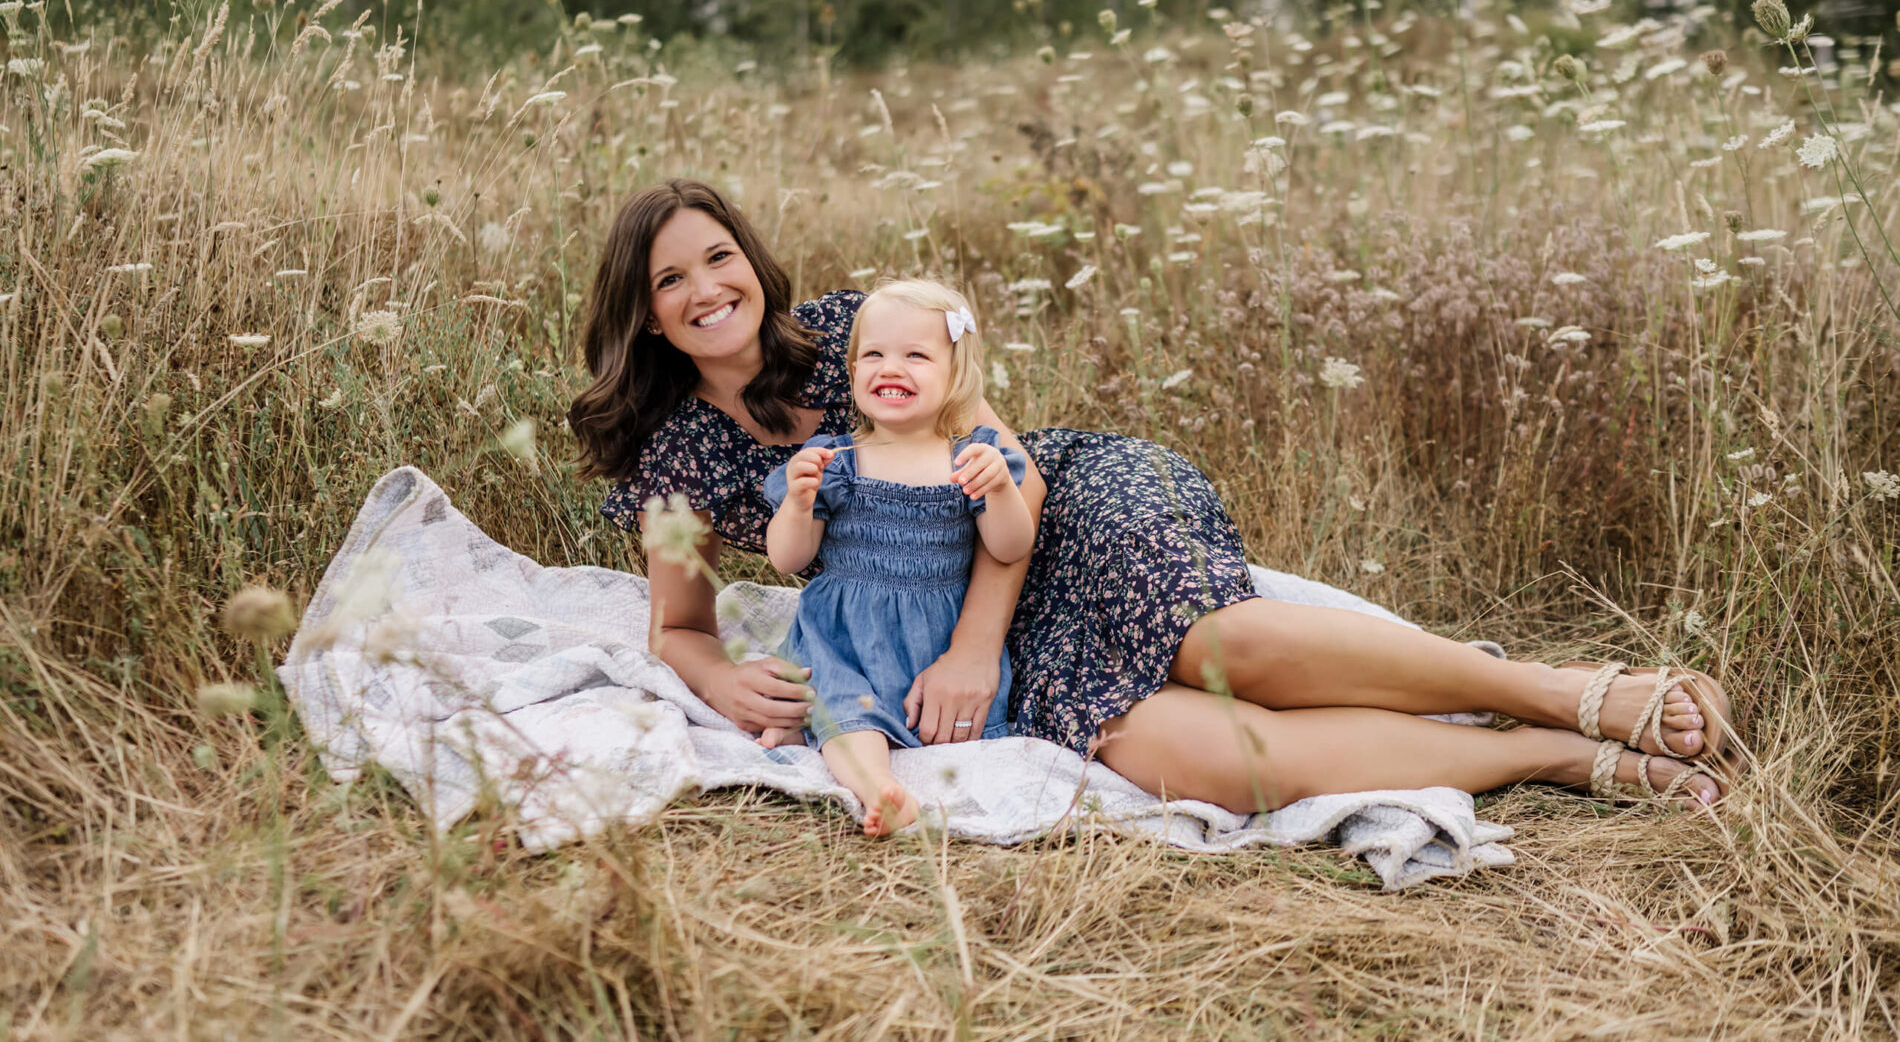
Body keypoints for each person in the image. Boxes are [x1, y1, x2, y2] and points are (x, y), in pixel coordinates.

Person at [567, 178, 1735, 814]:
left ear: (751, 258)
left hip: (1058, 508)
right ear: (646, 313)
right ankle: (1551, 756)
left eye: (717, 256)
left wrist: (975, 649)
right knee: (1232, 765)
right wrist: (727, 676)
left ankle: (1569, 690)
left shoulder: (853, 332)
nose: (705, 287)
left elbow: (1003, 469)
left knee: (1219, 644)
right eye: (671, 278)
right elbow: (676, 624)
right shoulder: (680, 458)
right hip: (955, 616)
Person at [759, 278, 1033, 834]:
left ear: (955, 375)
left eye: (916, 355)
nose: (891, 367)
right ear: (854, 371)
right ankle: (876, 787)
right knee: (842, 703)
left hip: (935, 639)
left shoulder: (973, 456)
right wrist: (797, 502)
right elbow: (788, 559)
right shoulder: (834, 459)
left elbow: (1011, 547)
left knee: (938, 719)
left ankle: (832, 736)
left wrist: (1001, 490)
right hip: (846, 637)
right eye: (874, 354)